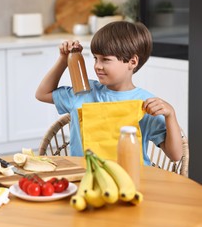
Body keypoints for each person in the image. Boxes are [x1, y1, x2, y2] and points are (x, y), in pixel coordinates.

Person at [35, 21, 182, 165]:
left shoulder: (145, 103)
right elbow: (42, 94)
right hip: (84, 177)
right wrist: (63, 59)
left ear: (132, 61)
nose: (97, 66)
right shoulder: (83, 91)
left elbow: (175, 155)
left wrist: (171, 115)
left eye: (105, 59)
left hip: (134, 180)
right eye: (95, 58)